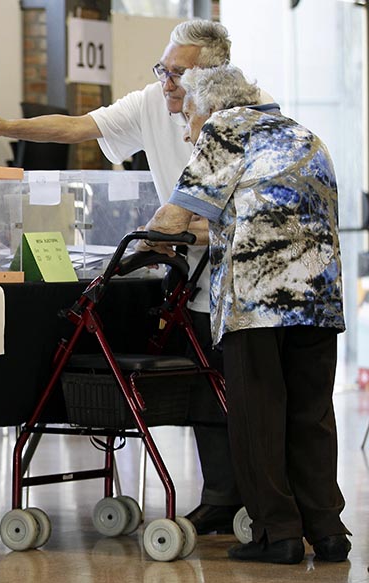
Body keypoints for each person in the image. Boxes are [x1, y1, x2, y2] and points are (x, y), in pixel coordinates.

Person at [0, 19, 245, 535]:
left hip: (246, 274)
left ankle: (265, 500)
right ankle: (222, 496)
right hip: (192, 271)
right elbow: (77, 127)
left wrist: (195, 231)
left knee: (245, 388)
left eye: (179, 74)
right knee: (205, 381)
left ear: (215, 74)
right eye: (163, 69)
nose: (167, 82)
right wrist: (4, 127)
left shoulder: (249, 109)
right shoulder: (150, 103)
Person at [140, 64, 350, 564]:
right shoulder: (302, 133)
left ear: (211, 108)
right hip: (319, 296)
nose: (188, 131)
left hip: (257, 300)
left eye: (188, 117)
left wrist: (144, 240)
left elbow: (172, 218)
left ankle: (275, 534)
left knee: (258, 415)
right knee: (311, 413)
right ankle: (327, 530)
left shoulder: (226, 127)